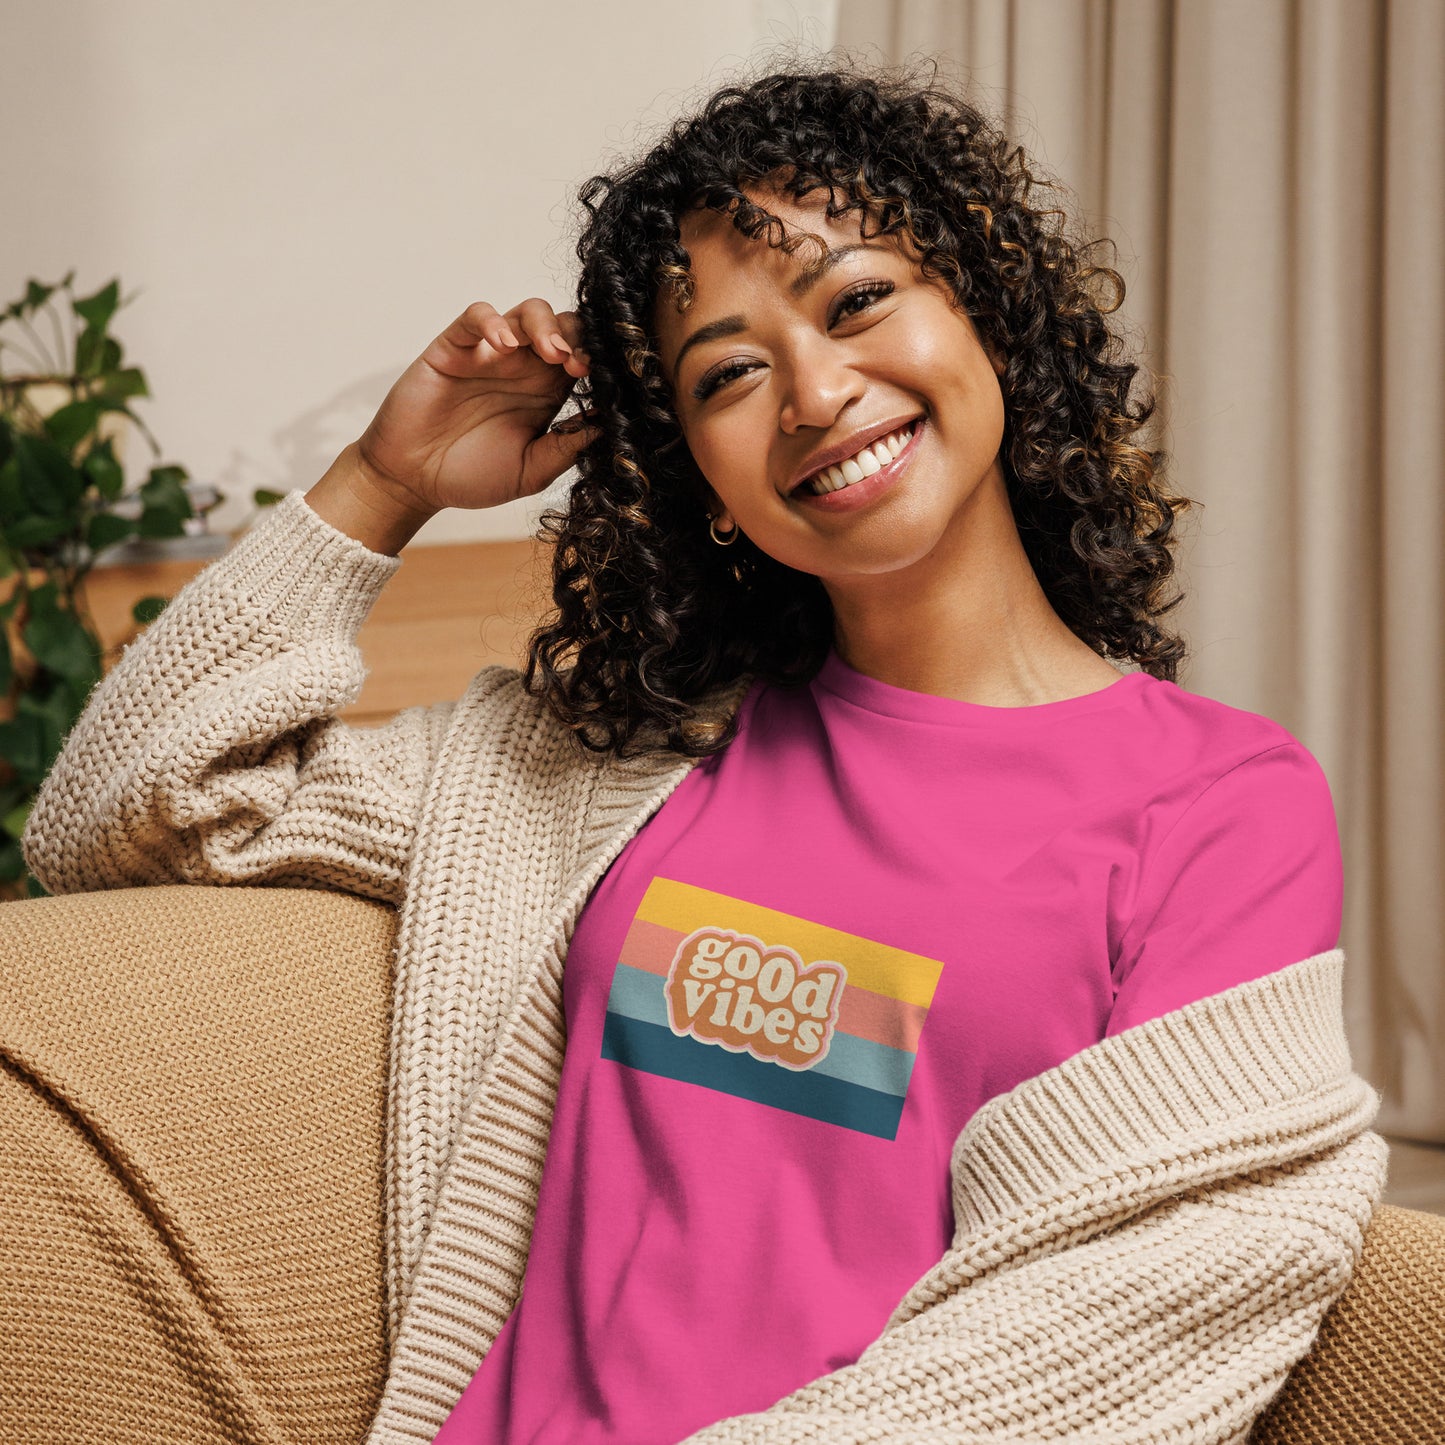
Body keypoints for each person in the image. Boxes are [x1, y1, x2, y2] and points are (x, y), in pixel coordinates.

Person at [14, 57, 1387, 1445]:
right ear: (702, 479)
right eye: (728, 371)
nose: (811, 389)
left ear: (986, 316)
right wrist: (382, 484)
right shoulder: (612, 767)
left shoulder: (1216, 803)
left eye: (858, 300)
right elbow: (129, 812)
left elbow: (1132, 1302)